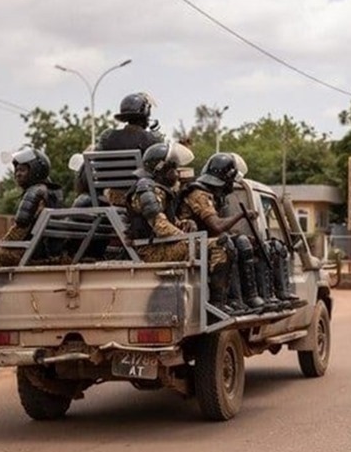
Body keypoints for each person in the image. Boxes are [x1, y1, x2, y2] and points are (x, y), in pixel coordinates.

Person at [177, 152, 268, 314]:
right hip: (189, 244)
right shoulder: (199, 194)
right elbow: (217, 226)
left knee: (243, 242)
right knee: (227, 244)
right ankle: (221, 302)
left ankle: (245, 298)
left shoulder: (214, 194)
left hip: (203, 240)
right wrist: (242, 215)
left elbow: (215, 228)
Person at [0, 146, 63, 267]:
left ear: (35, 170)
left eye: (22, 170)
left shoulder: (34, 192)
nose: (17, 174)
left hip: (30, 255)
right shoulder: (53, 192)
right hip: (46, 253)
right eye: (16, 170)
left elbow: (16, 234)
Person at [125, 142, 193, 263]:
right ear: (161, 168)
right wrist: (188, 238)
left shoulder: (159, 190)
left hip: (161, 245)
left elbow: (169, 222)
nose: (176, 174)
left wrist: (184, 224)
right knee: (217, 247)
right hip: (151, 250)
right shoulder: (146, 190)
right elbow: (161, 227)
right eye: (173, 169)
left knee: (216, 244)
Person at [97, 92, 163, 206]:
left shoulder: (107, 137)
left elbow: (97, 164)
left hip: (111, 197)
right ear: (146, 112)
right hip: (139, 198)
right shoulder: (152, 138)